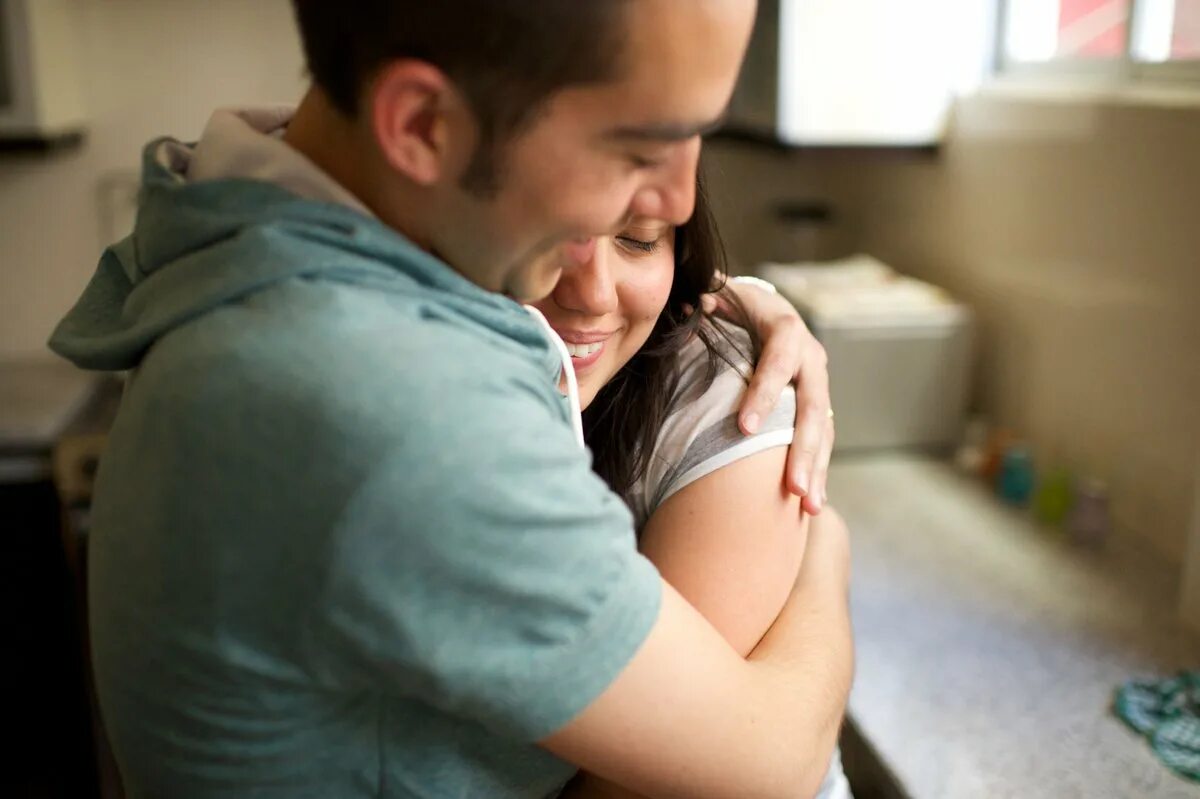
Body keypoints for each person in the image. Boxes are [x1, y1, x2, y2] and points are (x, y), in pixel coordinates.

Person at [48, 2, 852, 797]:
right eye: (634, 146)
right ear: (424, 126)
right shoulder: (396, 412)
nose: (678, 200)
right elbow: (770, 760)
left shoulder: (229, 229)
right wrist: (825, 551)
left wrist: (721, 289)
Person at [535, 177, 853, 799]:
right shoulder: (443, 429)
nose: (594, 293)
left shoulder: (731, 402)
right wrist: (826, 556)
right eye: (550, 233)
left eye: (639, 239)